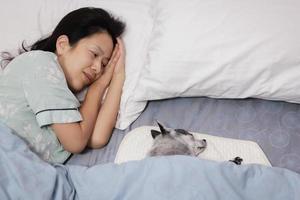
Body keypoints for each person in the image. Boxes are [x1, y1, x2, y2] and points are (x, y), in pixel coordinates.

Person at [0, 7, 126, 164]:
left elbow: (96, 138)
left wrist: (118, 76)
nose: (98, 68)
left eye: (104, 64)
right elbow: (76, 141)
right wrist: (96, 89)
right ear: (62, 45)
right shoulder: (40, 63)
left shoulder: (64, 100)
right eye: (94, 54)